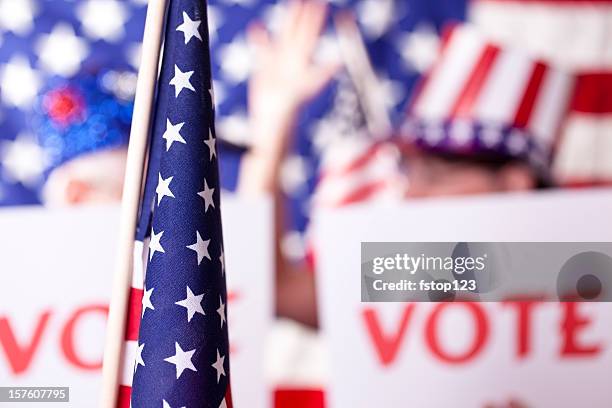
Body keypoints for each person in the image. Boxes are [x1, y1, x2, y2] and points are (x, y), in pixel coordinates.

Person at [238, 3, 571, 328]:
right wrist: (272, 124)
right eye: (410, 174)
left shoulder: (583, 276)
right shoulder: (422, 276)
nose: (410, 194)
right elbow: (276, 289)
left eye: (435, 176)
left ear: (515, 185)